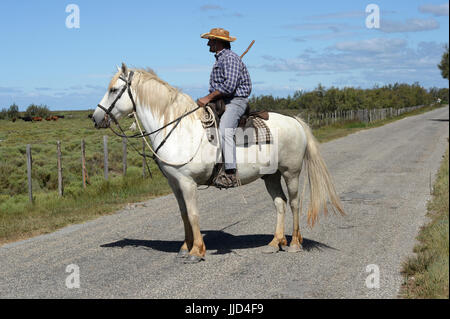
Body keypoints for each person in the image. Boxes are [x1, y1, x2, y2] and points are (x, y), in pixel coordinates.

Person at [197, 28, 252, 188]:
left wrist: (207, 98)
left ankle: (230, 172)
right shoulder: (221, 59)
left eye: (211, 40)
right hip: (222, 101)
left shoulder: (229, 58)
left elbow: (228, 86)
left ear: (218, 42)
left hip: (235, 100)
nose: (208, 43)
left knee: (225, 130)